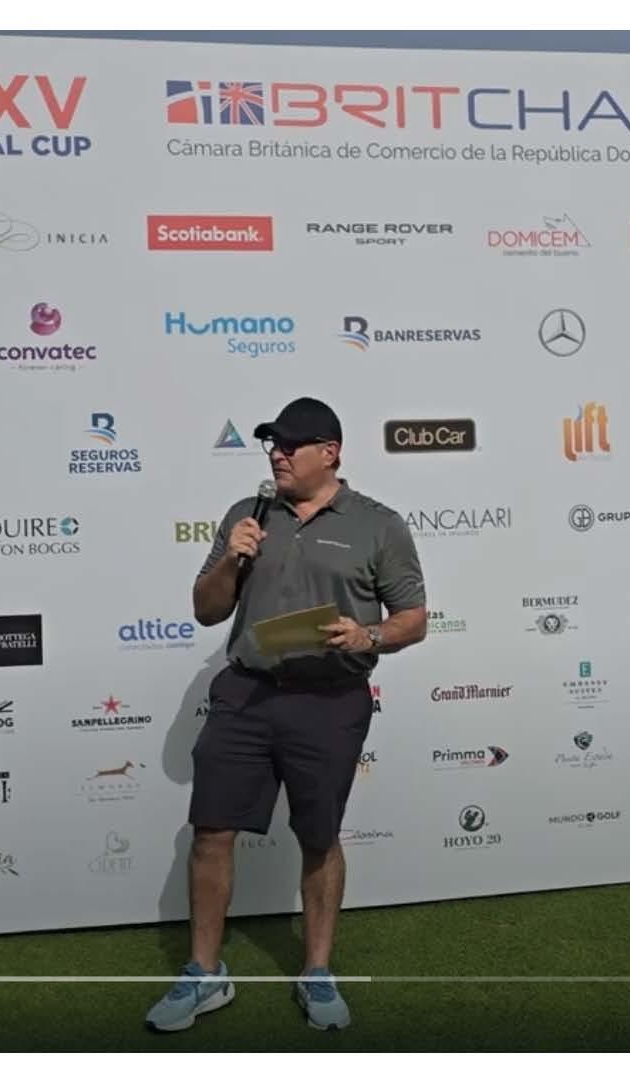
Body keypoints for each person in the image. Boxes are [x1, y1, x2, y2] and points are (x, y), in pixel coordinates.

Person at [145, 396, 428, 1032]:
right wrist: (231, 559)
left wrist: (367, 635)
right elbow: (206, 610)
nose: (277, 453)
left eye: (291, 444)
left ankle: (317, 971)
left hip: (330, 701)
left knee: (320, 837)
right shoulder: (247, 514)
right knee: (211, 830)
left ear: (330, 452)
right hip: (246, 694)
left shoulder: (379, 524)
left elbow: (413, 619)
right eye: (272, 443)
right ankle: (204, 974)